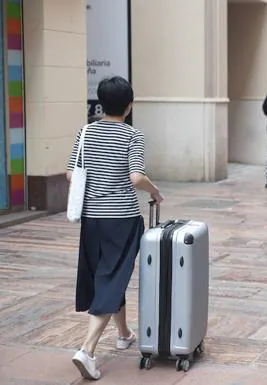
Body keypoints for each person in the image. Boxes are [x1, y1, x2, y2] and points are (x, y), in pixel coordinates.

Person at [66, 77, 164, 380]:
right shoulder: (132, 135)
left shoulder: (85, 132)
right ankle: (87, 349)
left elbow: (71, 175)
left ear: (100, 102)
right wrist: (154, 190)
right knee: (112, 277)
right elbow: (136, 177)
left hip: (91, 219)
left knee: (109, 274)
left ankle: (123, 334)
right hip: (121, 219)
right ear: (129, 105)